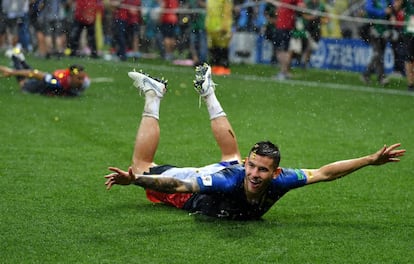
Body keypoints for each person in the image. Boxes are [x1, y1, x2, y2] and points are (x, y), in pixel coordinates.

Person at [104, 63, 405, 220]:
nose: (254, 174)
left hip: (222, 171)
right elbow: (180, 186)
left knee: (231, 156)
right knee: (142, 166)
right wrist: (137, 180)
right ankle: (154, 95)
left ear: (276, 172)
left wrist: (369, 160)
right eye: (252, 167)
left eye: (262, 170)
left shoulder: (282, 180)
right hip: (195, 193)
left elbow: (325, 173)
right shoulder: (226, 181)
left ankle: (208, 93)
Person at [0, 48, 90, 96]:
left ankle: (20, 58)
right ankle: (15, 57)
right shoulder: (57, 82)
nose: (82, 81)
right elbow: (34, 74)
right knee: (23, 84)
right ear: (71, 76)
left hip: (43, 81)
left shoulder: (83, 82)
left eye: (82, 78)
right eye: (79, 78)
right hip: (36, 86)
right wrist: (12, 73)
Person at [360, 0, 396, 86]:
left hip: (384, 30)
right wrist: (382, 12)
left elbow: (394, 7)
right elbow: (368, 9)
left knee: (379, 55)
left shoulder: (388, 1)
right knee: (378, 54)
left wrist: (392, 15)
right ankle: (381, 77)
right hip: (373, 30)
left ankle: (367, 74)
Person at [205, 0, 233, 75]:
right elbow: (209, 13)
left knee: (222, 47)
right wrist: (207, 24)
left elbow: (227, 12)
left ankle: (223, 67)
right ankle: (216, 66)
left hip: (221, 27)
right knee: (213, 48)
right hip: (211, 27)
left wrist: (225, 26)